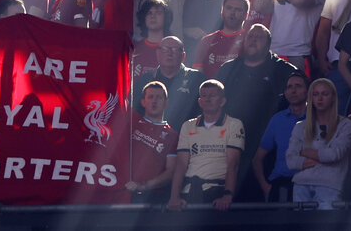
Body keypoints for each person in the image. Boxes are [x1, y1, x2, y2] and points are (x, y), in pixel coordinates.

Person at [217, 23, 298, 171]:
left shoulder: (284, 70)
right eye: (250, 36)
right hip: (229, 139)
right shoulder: (228, 69)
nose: (253, 40)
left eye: (259, 37)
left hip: (268, 141)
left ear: (268, 44)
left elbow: (300, 100)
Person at [167, 80, 244, 211]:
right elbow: (180, 164)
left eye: (213, 95)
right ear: (199, 101)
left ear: (222, 101)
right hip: (189, 191)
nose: (207, 99)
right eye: (204, 96)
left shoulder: (234, 125)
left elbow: (233, 164)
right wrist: (174, 196)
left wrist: (227, 195)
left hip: (217, 192)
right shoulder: (188, 125)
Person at [285, 78, 351, 209]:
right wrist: (321, 158)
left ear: (333, 97)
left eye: (324, 94)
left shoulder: (345, 125)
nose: (320, 98)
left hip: (330, 185)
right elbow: (290, 160)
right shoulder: (300, 126)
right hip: (301, 185)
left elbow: (334, 154)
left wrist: (305, 153)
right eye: (315, 94)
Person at [252, 73, 307, 203]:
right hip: (281, 185)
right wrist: (265, 186)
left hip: (311, 185)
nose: (293, 90)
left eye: (298, 86)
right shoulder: (277, 119)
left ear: (308, 91)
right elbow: (257, 158)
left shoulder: (319, 117)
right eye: (289, 87)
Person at [134, 37, 203, 129]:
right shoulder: (145, 80)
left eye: (175, 50)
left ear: (183, 56)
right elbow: (135, 112)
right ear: (157, 54)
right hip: (151, 138)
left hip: (188, 136)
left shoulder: (197, 79)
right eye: (165, 49)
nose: (169, 53)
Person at [127, 82, 177, 204]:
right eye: (150, 97)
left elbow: (171, 172)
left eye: (159, 97)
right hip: (122, 192)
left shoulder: (173, 135)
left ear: (166, 103)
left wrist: (143, 186)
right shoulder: (131, 121)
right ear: (143, 102)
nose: (154, 101)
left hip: (152, 198)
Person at [192, 0, 247, 79]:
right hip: (210, 91)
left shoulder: (250, 40)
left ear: (246, 15)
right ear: (222, 11)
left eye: (238, 10)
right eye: (229, 8)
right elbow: (197, 74)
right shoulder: (207, 41)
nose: (232, 12)